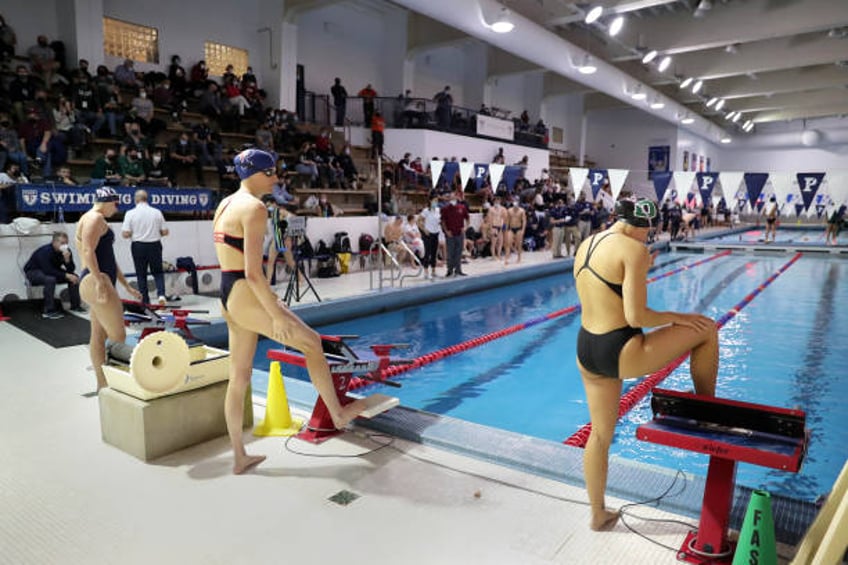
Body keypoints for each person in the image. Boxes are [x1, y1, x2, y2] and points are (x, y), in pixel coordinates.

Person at [212, 149, 371, 474]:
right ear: (255, 173)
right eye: (270, 172)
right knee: (312, 343)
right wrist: (273, 315)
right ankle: (338, 415)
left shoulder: (226, 203)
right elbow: (253, 272)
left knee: (238, 377)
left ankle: (239, 457)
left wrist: (272, 303)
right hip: (245, 290)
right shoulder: (254, 207)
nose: (275, 178)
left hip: (228, 293)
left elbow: (237, 264)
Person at [573, 197, 718, 531]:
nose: (648, 239)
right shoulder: (633, 250)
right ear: (640, 224)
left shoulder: (587, 244)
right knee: (706, 329)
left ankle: (598, 514)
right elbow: (636, 316)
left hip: (587, 349)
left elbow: (604, 291)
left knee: (599, 435)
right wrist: (679, 317)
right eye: (648, 231)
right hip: (621, 347)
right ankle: (708, 410)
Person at [76, 187, 142, 390]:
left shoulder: (92, 219)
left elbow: (108, 259)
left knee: (98, 335)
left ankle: (103, 384)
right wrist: (99, 282)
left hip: (97, 280)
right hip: (97, 281)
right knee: (118, 337)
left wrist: (126, 285)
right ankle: (118, 384)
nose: (117, 209)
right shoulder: (94, 218)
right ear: (108, 201)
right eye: (116, 204)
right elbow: (87, 250)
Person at [121, 190, 169, 306]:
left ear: (136, 199)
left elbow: (125, 234)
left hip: (138, 246)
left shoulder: (130, 213)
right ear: (147, 198)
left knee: (141, 274)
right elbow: (165, 231)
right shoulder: (157, 212)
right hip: (155, 245)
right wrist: (156, 233)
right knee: (158, 272)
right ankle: (161, 295)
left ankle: (145, 301)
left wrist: (136, 232)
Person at [24, 231, 83, 319]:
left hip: (51, 270)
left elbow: (71, 269)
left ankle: (75, 306)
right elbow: (47, 270)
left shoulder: (67, 251)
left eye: (66, 243)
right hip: (33, 271)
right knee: (50, 279)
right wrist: (66, 275)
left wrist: (67, 260)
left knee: (74, 277)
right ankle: (49, 311)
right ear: (54, 242)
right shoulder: (45, 251)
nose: (65, 245)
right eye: (62, 243)